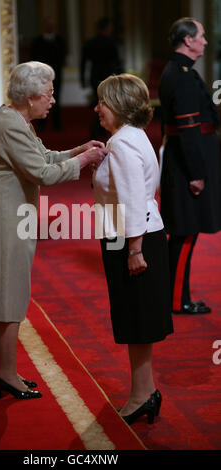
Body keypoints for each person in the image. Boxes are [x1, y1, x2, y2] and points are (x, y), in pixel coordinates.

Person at [0, 61, 107, 400]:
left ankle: (3, 370)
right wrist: (86, 161)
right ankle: (6, 372)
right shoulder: (11, 125)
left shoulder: (16, 120)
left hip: (8, 213)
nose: (53, 100)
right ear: (29, 97)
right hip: (3, 217)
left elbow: (43, 156)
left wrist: (77, 151)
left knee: (7, 293)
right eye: (48, 94)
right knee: (8, 294)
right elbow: (43, 173)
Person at [92, 74, 173, 425]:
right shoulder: (132, 136)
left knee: (136, 320)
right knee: (138, 320)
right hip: (137, 234)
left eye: (102, 102)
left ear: (120, 106)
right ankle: (145, 391)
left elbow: (131, 199)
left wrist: (134, 250)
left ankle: (142, 396)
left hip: (130, 238)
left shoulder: (122, 143)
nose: (97, 108)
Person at [159, 18, 221, 314]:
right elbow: (188, 129)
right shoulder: (181, 75)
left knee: (187, 232)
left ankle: (177, 296)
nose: (205, 42)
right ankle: (176, 300)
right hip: (187, 167)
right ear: (188, 40)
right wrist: (197, 174)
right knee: (185, 232)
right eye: (202, 36)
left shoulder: (180, 71)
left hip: (184, 161)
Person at [80, 17, 123, 139]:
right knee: (107, 104)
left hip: (95, 77)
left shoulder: (91, 42)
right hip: (109, 77)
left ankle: (99, 129)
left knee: (99, 102)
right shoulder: (111, 42)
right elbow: (117, 63)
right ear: (108, 28)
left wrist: (83, 79)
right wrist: (120, 79)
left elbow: (83, 62)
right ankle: (99, 128)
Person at [31, 17, 66, 130]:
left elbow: (63, 57)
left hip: (56, 75)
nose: (50, 27)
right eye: (48, 25)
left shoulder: (59, 40)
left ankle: (57, 124)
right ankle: (42, 124)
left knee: (56, 99)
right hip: (41, 76)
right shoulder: (38, 41)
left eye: (52, 25)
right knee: (41, 98)